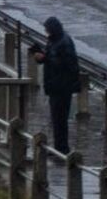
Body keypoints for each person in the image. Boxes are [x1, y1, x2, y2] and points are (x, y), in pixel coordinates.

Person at [32, 16, 81, 154]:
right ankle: (58, 147)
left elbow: (66, 64)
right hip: (55, 85)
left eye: (47, 30)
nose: (46, 32)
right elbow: (52, 59)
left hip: (62, 86)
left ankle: (62, 148)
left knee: (60, 118)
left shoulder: (64, 42)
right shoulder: (55, 41)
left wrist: (45, 58)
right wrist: (42, 58)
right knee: (56, 118)